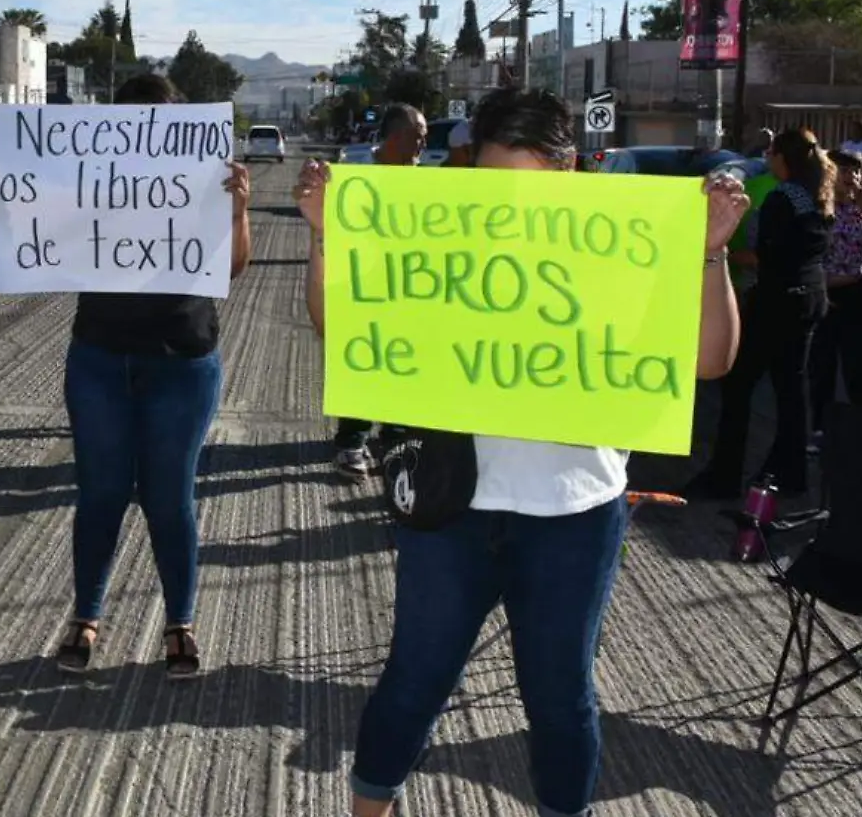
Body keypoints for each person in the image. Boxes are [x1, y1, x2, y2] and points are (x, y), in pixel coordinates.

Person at [295, 87, 749, 817]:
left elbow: (711, 361)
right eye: (494, 180)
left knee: (561, 699)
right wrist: (323, 235)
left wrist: (710, 253)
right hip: (454, 508)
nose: (512, 204)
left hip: (575, 512)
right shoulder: (441, 229)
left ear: (571, 173)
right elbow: (338, 324)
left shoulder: (628, 238)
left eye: (530, 185)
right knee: (413, 680)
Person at [3, 73, 255, 680]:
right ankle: (85, 617)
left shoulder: (205, 177)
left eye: (160, 122)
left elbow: (236, 266)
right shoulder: (86, 180)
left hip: (182, 359)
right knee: (101, 494)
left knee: (170, 497)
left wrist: (239, 209)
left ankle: (180, 624)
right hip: (100, 357)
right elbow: (28, 236)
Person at [693, 128, 834, 499]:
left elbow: (764, 255)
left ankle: (724, 476)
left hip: (776, 301)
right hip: (811, 297)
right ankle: (792, 474)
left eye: (772, 153)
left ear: (781, 158)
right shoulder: (819, 195)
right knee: (791, 388)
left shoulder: (780, 198)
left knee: (737, 386)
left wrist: (711, 250)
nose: (767, 159)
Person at [329, 104, 425, 481]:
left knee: (406, 362)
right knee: (363, 361)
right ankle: (352, 440)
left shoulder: (429, 182)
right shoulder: (357, 175)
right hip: (363, 289)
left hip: (410, 290)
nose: (424, 143)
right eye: (419, 136)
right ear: (398, 137)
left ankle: (397, 437)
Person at [808, 152, 862, 432]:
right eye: (843, 170)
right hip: (826, 294)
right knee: (822, 366)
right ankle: (821, 428)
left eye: (856, 171)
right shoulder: (818, 208)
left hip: (859, 293)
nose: (850, 177)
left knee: (858, 365)